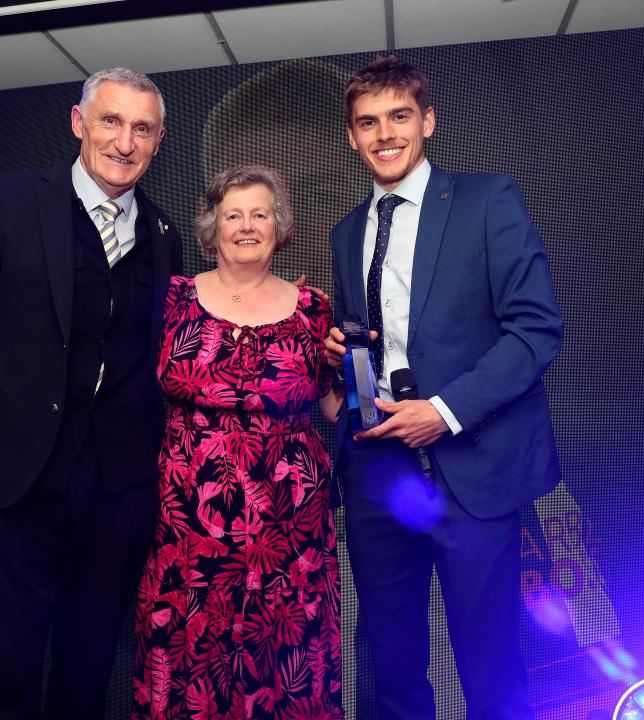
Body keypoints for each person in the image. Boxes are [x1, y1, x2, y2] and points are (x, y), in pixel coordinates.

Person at [0, 67, 183, 719]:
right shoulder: (4, 201)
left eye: (142, 128)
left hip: (117, 494)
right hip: (7, 485)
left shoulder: (166, 237)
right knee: (0, 671)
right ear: (78, 123)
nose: (124, 141)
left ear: (159, 140)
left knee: (86, 675)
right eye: (111, 121)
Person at [324, 56, 563, 720]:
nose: (385, 134)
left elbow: (535, 331)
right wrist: (344, 361)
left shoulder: (490, 201)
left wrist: (445, 412)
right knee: (389, 664)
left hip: (474, 469)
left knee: (490, 666)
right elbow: (375, 341)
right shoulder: (347, 233)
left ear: (427, 121)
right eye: (368, 123)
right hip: (380, 476)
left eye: (399, 116)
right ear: (352, 135)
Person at [131, 164, 343, 720]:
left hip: (289, 532)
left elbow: (335, 406)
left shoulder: (313, 311)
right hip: (188, 526)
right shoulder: (169, 299)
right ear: (212, 227)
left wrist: (369, 371)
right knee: (191, 663)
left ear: (281, 225)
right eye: (233, 215)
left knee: (282, 665)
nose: (246, 226)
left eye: (260, 214)